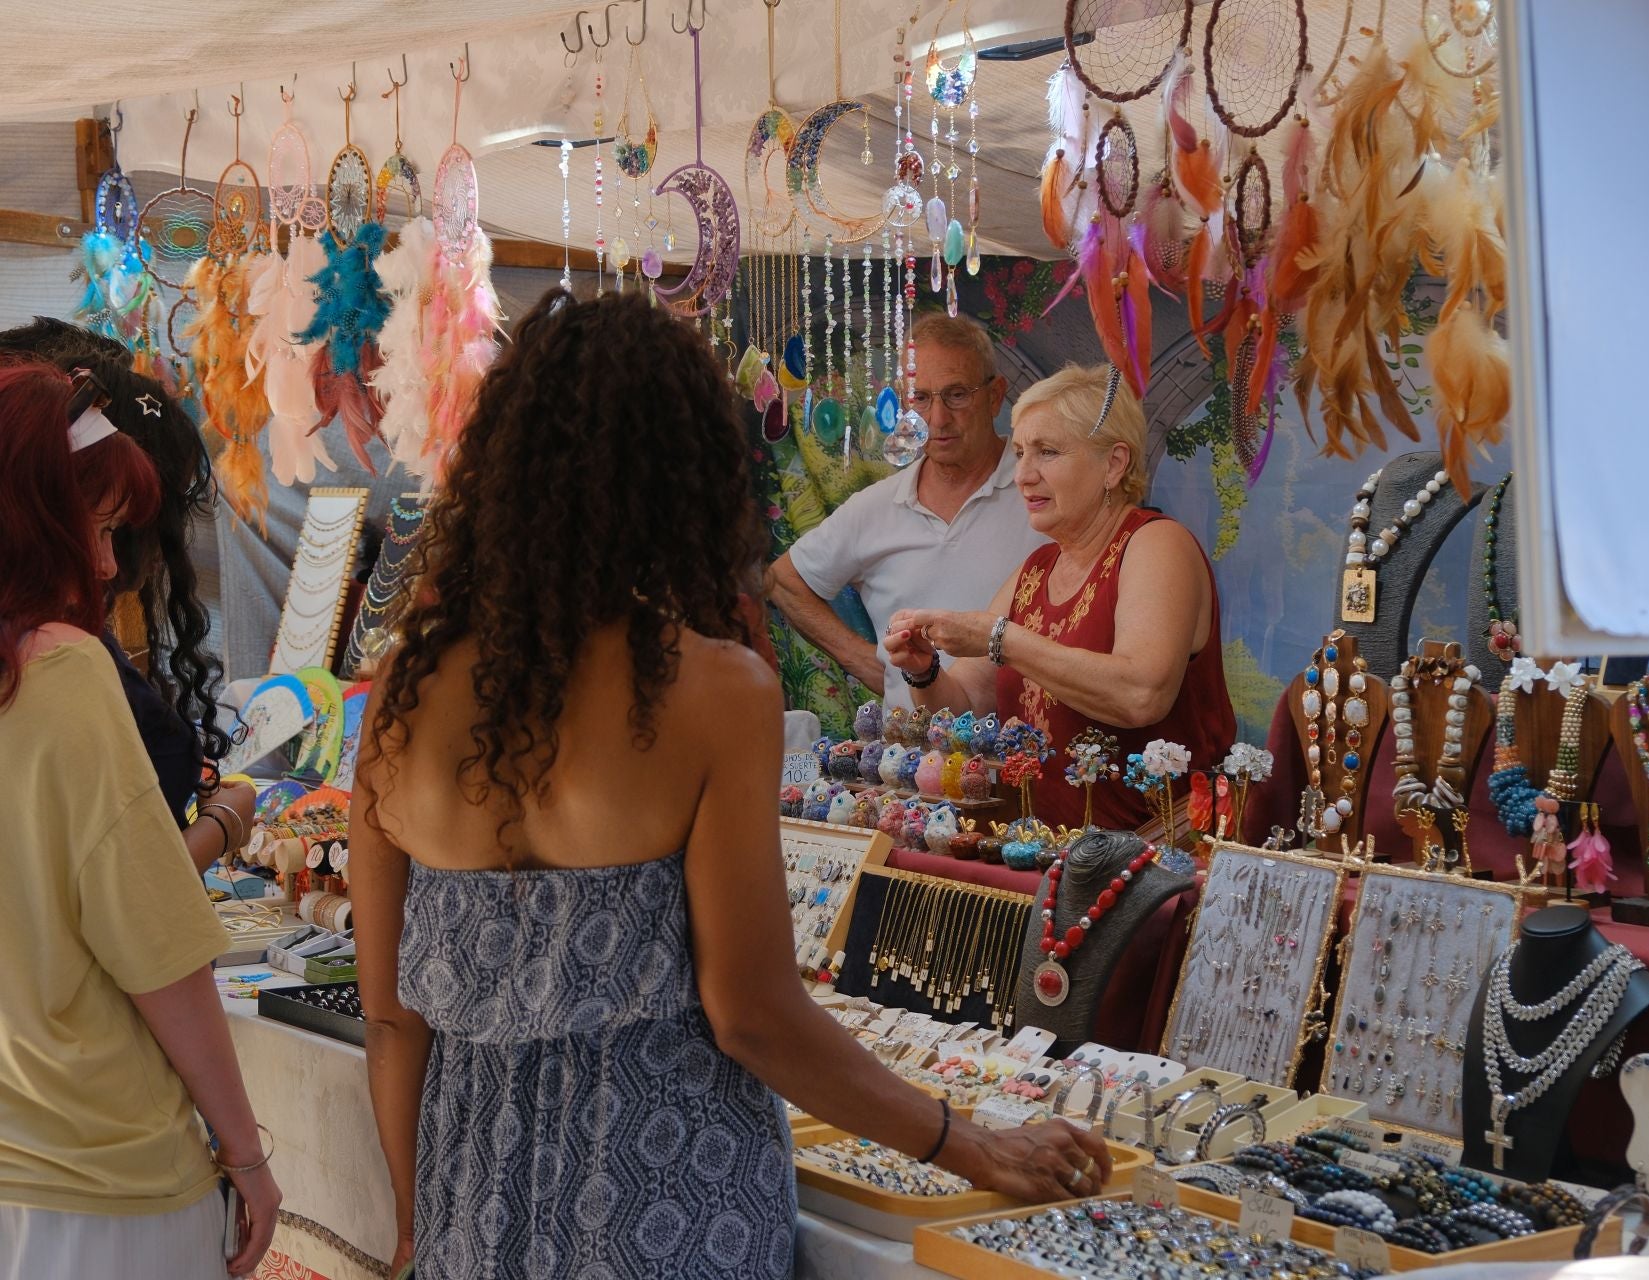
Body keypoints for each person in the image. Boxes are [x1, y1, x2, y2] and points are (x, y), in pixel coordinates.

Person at [351, 291, 1109, 1280]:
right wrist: (967, 1140)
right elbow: (749, 1009)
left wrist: (422, 1221)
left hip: (470, 1204)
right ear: (682, 474)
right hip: (667, 1204)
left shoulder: (402, 699)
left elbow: (390, 1016)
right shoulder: (710, 689)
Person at [0, 358, 280, 1278]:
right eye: (96, 525)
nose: (112, 562)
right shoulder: (64, 671)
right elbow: (155, 947)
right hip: (103, 1173)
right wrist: (245, 1151)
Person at [882, 364, 1235, 830]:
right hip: (1047, 856)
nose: (1024, 475)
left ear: (1114, 464)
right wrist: (924, 671)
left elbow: (1141, 694)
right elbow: (967, 703)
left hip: (1156, 863)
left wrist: (1000, 638)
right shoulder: (1035, 570)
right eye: (1021, 452)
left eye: (1047, 452)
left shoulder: (1156, 543)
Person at [0, 319, 254, 871]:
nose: (111, 562)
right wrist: (224, 823)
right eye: (107, 524)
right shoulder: (64, 660)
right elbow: (131, 890)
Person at [765, 313, 1045, 708]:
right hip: (911, 761)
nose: (938, 418)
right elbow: (783, 581)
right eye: (921, 397)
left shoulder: (1040, 490)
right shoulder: (877, 506)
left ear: (996, 395)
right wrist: (862, 660)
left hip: (1032, 756)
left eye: (957, 394)